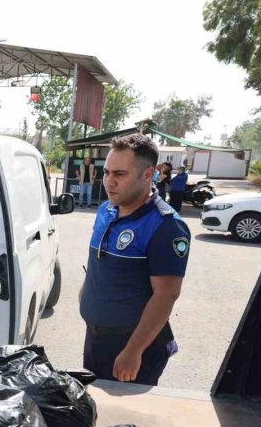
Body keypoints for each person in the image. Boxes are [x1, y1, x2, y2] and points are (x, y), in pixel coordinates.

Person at [80, 134, 191, 385]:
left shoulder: (166, 226)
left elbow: (166, 295)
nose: (109, 181)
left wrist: (133, 351)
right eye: (107, 172)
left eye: (119, 174)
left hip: (132, 347)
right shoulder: (106, 210)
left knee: (122, 421)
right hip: (96, 338)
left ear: (147, 174)